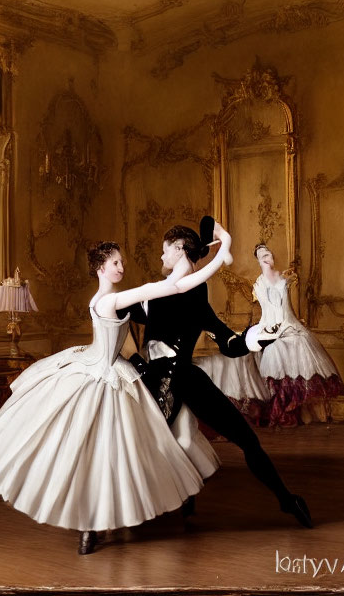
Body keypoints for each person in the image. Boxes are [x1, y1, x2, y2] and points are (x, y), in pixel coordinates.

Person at [0, 225, 234, 555]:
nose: (121, 268)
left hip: (102, 367)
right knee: (105, 450)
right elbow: (176, 285)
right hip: (104, 374)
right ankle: (92, 525)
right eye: (115, 264)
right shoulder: (112, 299)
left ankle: (95, 525)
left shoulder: (100, 299)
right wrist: (221, 256)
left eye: (122, 263)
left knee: (107, 449)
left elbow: (173, 287)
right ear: (100, 268)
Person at [118, 218, 312, 529]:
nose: (161, 258)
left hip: (184, 378)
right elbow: (115, 315)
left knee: (247, 439)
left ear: (180, 250)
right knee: (137, 447)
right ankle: (108, 520)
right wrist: (134, 361)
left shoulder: (195, 294)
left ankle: (287, 501)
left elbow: (226, 341)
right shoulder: (154, 293)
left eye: (165, 251)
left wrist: (254, 337)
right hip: (155, 384)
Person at [250, 243, 344, 426]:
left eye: (268, 254)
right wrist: (268, 331)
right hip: (271, 328)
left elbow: (287, 309)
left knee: (300, 344)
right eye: (262, 257)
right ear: (258, 262)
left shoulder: (282, 278)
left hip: (289, 325)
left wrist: (293, 325)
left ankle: (293, 409)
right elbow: (267, 311)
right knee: (275, 353)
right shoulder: (259, 284)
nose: (266, 258)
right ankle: (281, 410)